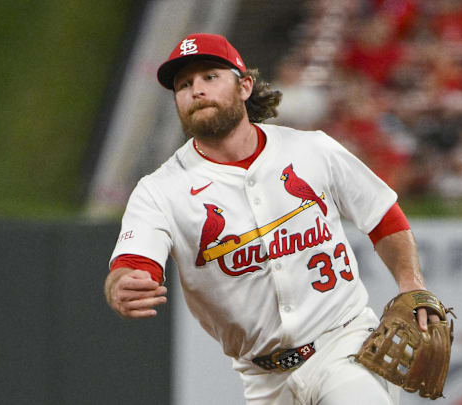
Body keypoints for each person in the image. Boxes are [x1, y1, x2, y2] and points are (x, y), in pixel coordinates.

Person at [104, 33, 438, 404]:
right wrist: (123, 285)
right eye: (184, 85)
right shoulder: (160, 190)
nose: (196, 90)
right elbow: (133, 264)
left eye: (209, 77)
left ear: (245, 86)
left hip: (343, 343)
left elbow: (382, 215)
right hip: (263, 379)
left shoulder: (313, 149)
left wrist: (411, 283)